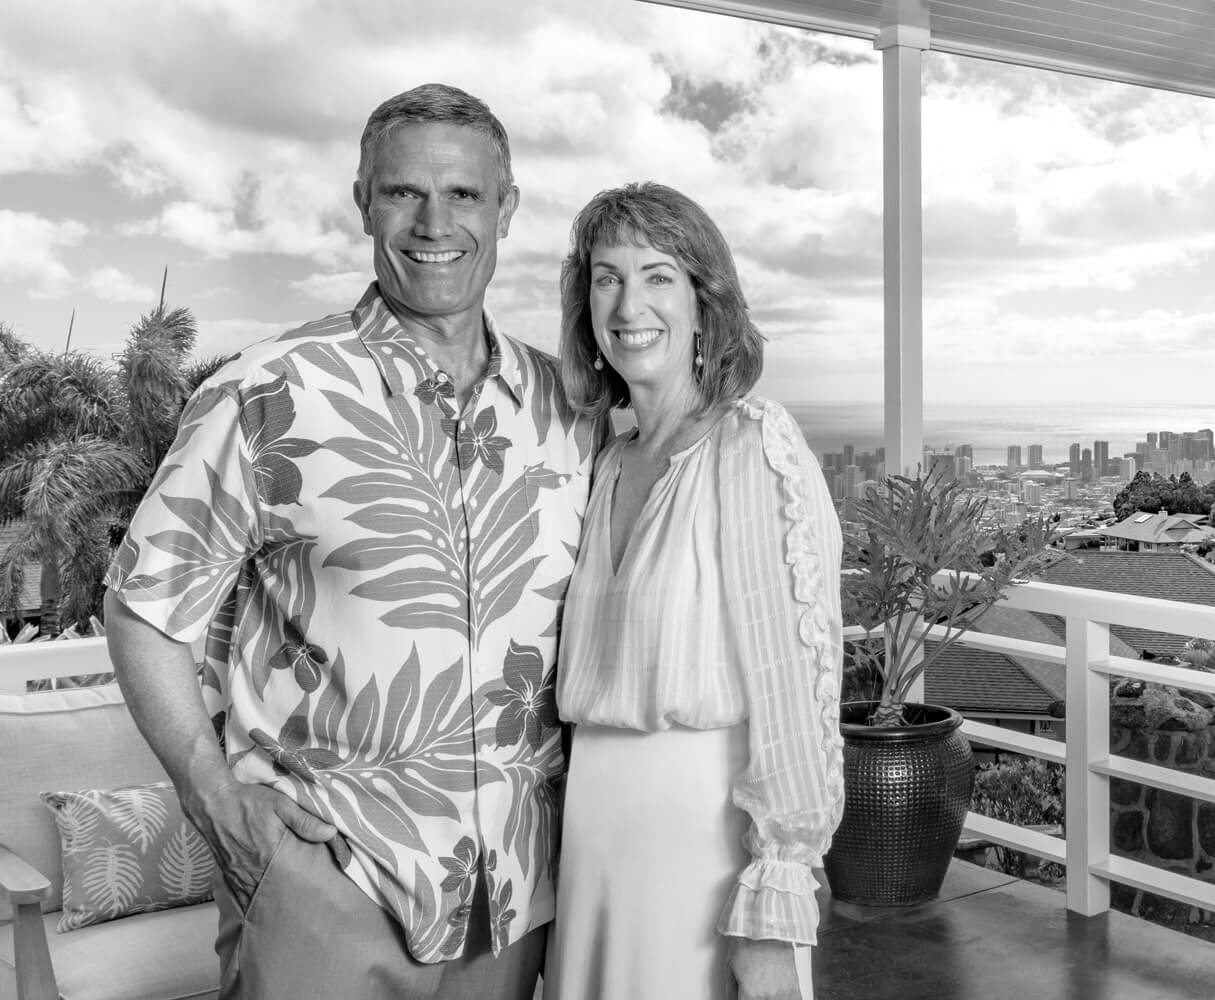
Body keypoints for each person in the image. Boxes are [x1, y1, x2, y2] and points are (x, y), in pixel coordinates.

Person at [103, 83, 602, 999]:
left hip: (518, 897)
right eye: (403, 192)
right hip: (329, 884)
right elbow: (142, 608)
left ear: (507, 209)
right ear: (363, 200)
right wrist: (215, 799)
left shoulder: (568, 408)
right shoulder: (269, 391)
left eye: (464, 195)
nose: (433, 221)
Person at [545, 181, 844, 1000]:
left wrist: (776, 905)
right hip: (593, 843)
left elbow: (794, 685)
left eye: (657, 275)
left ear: (705, 305)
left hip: (703, 848)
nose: (628, 302)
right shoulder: (605, 461)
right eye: (607, 277)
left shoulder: (751, 446)